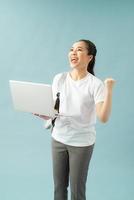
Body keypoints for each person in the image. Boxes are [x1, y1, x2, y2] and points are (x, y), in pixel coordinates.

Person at [34, 39, 115, 200]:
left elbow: (103, 117)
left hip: (81, 143)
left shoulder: (95, 84)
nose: (73, 53)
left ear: (90, 57)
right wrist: (43, 112)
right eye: (71, 49)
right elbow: (55, 109)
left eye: (79, 50)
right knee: (59, 188)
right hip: (58, 138)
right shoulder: (60, 78)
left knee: (77, 191)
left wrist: (109, 91)